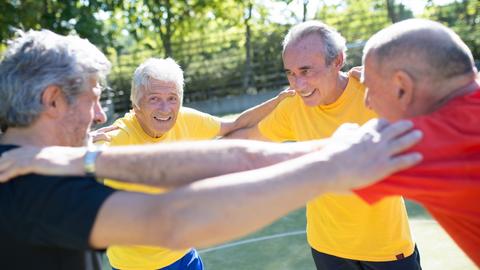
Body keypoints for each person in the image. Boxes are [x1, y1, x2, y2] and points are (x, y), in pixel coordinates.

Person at [0, 29, 422, 270]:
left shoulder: (43, 166)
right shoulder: (31, 185)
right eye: (91, 99)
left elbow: (238, 150)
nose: (97, 116)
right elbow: (172, 219)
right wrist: (333, 164)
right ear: (53, 100)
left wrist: (85, 158)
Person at [228, 20, 420, 269]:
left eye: (306, 71)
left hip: (387, 250)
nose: (298, 85)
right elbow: (243, 141)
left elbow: (440, 124)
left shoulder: (374, 93)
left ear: (338, 60)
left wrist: (399, 88)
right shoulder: (293, 107)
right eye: (291, 73)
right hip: (327, 249)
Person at [93, 57, 291, 270]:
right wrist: (76, 143)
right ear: (136, 104)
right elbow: (68, 168)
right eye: (154, 99)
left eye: (172, 98)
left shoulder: (185, 120)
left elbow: (236, 124)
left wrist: (278, 100)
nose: (165, 108)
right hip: (137, 266)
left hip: (184, 254)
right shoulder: (118, 138)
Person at [352, 19, 480, 266]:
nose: (367, 101)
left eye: (369, 88)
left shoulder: (431, 143)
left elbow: (323, 166)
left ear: (401, 87)